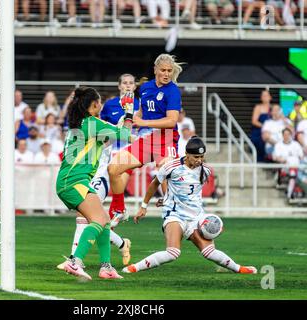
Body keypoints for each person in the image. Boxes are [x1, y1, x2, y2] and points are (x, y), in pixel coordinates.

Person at [123, 136, 257, 275]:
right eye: (196, 157)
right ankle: (134, 268)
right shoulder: (171, 167)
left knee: (209, 252)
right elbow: (155, 184)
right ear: (187, 154)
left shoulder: (205, 171)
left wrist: (167, 198)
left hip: (196, 217)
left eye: (202, 157)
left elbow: (191, 192)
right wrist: (144, 206)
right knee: (173, 253)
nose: (199, 160)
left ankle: (239, 268)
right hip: (175, 215)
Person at [56, 86, 134, 281]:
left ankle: (106, 267)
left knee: (104, 220)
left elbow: (107, 139)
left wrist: (121, 121)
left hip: (72, 180)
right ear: (93, 105)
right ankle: (75, 262)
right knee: (98, 220)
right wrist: (130, 113)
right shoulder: (92, 122)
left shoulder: (82, 123)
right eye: (99, 102)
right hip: (74, 181)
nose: (101, 105)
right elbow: (125, 136)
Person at [107, 53, 182, 222]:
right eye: (163, 70)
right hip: (148, 139)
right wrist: (131, 119)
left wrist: (143, 121)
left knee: (166, 176)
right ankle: (119, 209)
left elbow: (171, 121)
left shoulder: (173, 91)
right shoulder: (146, 88)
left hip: (167, 139)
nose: (167, 74)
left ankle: (175, 216)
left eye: (169, 71)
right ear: (155, 69)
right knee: (113, 168)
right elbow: (141, 113)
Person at [273, 128, 303, 199]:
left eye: (288, 134)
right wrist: (284, 160)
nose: (286, 136)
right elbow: (276, 158)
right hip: (284, 167)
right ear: (282, 135)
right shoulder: (278, 145)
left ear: (291, 135)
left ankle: (293, 192)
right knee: (292, 172)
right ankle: (289, 194)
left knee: (295, 169)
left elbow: (301, 156)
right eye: (285, 134)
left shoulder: (296, 144)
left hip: (297, 167)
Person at [250, 90, 272, 162]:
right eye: (263, 96)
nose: (264, 97)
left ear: (270, 97)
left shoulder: (273, 108)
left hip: (271, 131)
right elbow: (254, 121)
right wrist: (265, 127)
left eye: (266, 95)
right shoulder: (258, 107)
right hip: (259, 131)